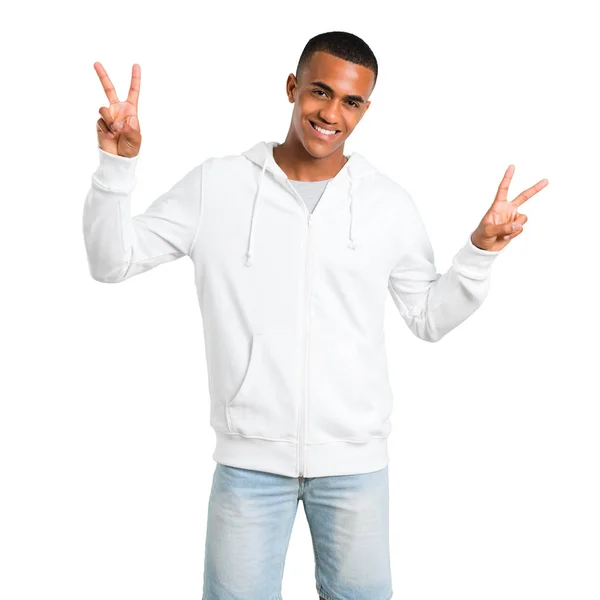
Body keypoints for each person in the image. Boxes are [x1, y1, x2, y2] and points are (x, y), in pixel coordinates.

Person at [83, 31, 547, 600]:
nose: (331, 114)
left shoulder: (387, 204)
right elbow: (112, 262)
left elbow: (428, 317)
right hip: (248, 466)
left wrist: (478, 254)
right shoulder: (218, 185)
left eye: (351, 102)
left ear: (365, 109)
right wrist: (116, 167)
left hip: (355, 469)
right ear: (291, 87)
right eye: (319, 92)